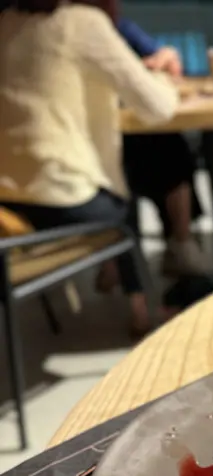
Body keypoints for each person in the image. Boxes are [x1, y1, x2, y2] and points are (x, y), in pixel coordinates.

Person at [0, 0, 178, 332]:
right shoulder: (81, 23)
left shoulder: (7, 22)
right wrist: (162, 72)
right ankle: (143, 312)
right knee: (122, 202)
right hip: (60, 203)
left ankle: (110, 268)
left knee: (103, 186)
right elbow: (158, 106)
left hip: (7, 207)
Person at [116, 18, 207, 277]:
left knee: (166, 144)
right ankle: (180, 241)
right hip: (99, 137)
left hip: (120, 128)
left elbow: (165, 54)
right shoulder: (87, 26)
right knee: (168, 147)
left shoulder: (117, 27)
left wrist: (159, 61)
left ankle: (177, 242)